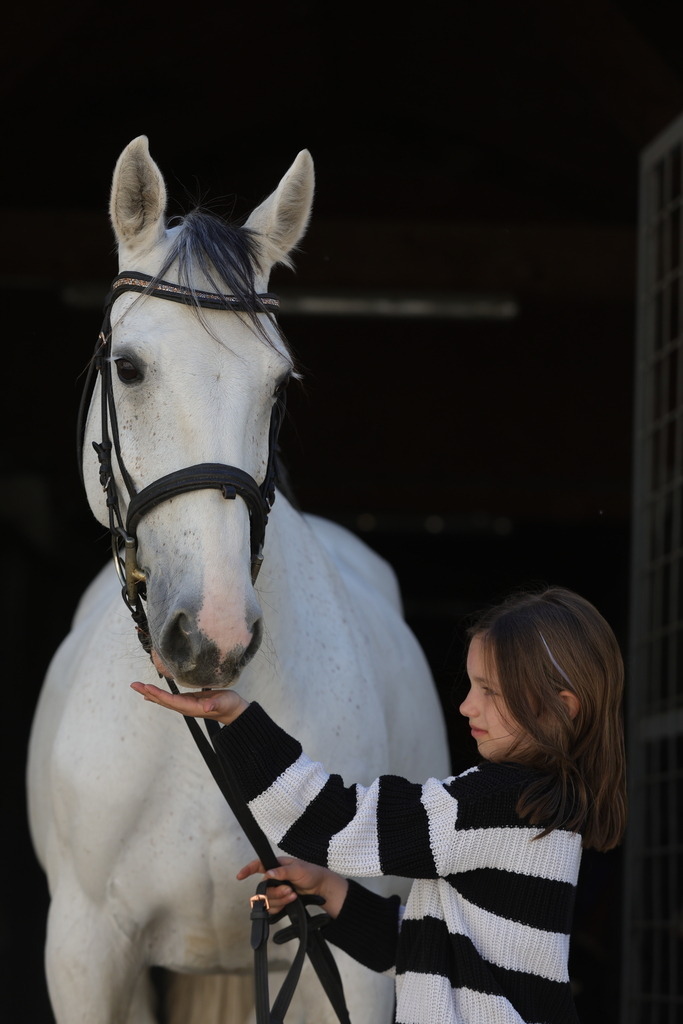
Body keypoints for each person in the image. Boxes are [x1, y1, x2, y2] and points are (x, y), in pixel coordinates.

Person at [131, 585, 627, 1024]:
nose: (466, 706)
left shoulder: (497, 803)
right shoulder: (538, 813)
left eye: (490, 691)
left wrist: (237, 719)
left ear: (561, 706)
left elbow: (335, 821)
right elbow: (426, 954)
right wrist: (330, 889)